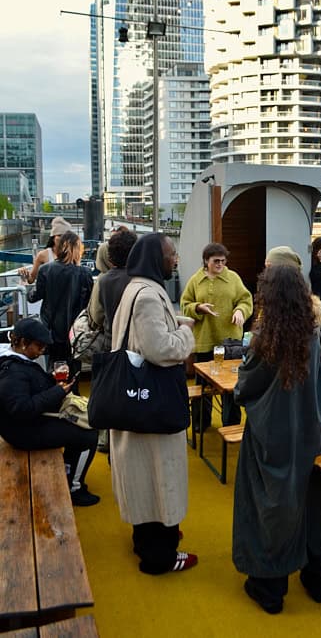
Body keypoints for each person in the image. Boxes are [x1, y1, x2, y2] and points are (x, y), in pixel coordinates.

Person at [232, 264, 321, 615]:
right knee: (312, 504)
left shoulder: (267, 338)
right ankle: (318, 578)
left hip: (271, 436)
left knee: (271, 508)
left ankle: (270, 587)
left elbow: (246, 386)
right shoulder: (313, 332)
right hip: (310, 432)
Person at [110, 233, 197, 574]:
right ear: (155, 258)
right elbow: (159, 349)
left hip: (133, 400)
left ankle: (146, 539)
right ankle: (160, 554)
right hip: (151, 406)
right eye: (171, 254)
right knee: (159, 476)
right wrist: (186, 333)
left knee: (142, 478)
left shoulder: (134, 288)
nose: (175, 259)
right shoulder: (148, 295)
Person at [0, 318, 99, 506]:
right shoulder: (12, 372)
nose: (42, 350)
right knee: (88, 436)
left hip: (24, 425)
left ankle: (68, 469)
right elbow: (21, 409)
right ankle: (74, 488)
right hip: (22, 432)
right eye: (39, 345)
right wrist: (57, 392)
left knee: (77, 428)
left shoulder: (17, 362)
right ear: (22, 342)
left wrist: (52, 381)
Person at [180, 242, 253, 429]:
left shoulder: (233, 278)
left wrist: (240, 311)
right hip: (205, 340)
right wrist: (198, 307)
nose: (220, 264)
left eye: (223, 261)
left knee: (230, 384)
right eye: (216, 261)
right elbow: (184, 304)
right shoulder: (196, 280)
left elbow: (246, 300)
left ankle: (231, 424)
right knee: (203, 384)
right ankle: (200, 423)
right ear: (206, 261)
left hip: (230, 342)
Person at [28, 231, 94, 383]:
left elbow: (34, 297)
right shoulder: (85, 273)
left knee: (54, 370)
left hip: (51, 330)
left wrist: (29, 288)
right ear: (77, 249)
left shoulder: (46, 270)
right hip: (75, 332)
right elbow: (89, 304)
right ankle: (73, 401)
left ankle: (54, 399)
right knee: (74, 370)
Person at [87, 229, 137, 351]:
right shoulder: (142, 278)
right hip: (137, 345)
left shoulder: (103, 281)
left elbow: (97, 317)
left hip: (111, 343)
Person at [19, 216, 72, 284]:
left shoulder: (72, 253)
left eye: (65, 236)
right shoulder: (43, 255)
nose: (62, 239)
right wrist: (24, 273)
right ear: (53, 237)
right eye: (59, 235)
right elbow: (31, 279)